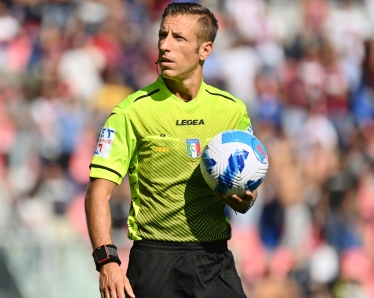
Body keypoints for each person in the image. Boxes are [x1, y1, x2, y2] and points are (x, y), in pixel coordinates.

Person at [85, 3, 257, 297]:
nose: (165, 46)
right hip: (154, 262)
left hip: (214, 260)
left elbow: (245, 194)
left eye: (178, 38)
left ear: (205, 50)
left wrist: (243, 200)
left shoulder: (231, 111)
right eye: (162, 35)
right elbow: (98, 192)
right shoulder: (131, 112)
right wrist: (107, 261)